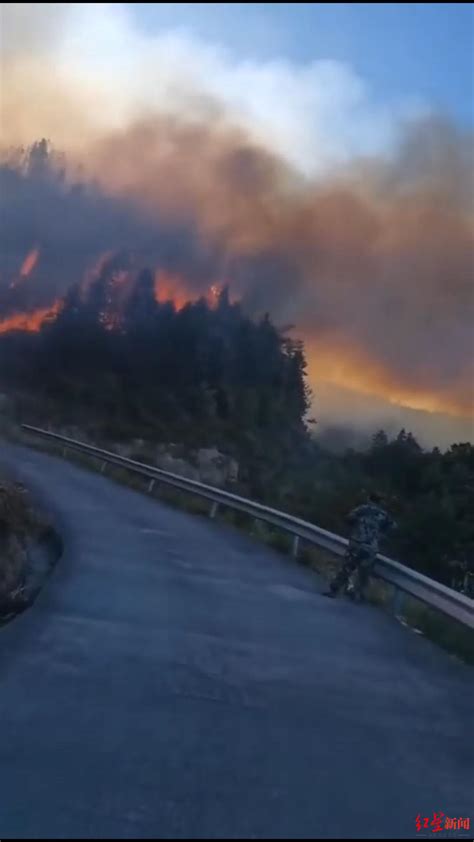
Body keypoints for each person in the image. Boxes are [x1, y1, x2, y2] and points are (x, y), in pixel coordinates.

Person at [323, 492, 396, 602]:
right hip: (371, 547)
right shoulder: (383, 514)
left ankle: (335, 590)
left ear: (369, 499)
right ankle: (360, 595)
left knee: (347, 568)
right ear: (380, 502)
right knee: (364, 573)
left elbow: (349, 518)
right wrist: (381, 534)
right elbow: (393, 526)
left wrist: (356, 525)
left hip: (357, 543)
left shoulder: (363, 509)